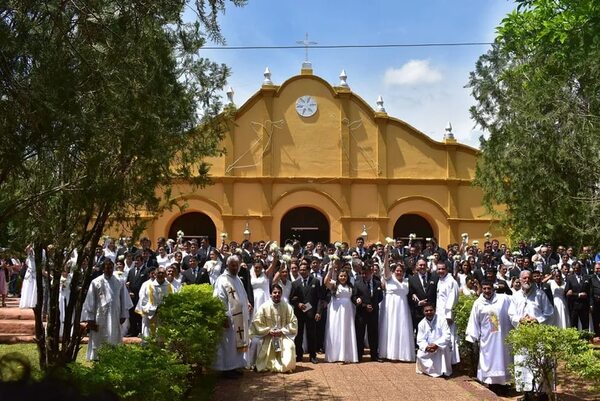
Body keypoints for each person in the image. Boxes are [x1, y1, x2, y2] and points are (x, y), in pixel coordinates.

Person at [508, 270, 554, 395]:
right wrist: (520, 319)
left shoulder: (540, 294)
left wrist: (537, 320)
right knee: (522, 361)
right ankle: (526, 392)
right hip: (522, 334)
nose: (526, 280)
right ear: (520, 279)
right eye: (524, 278)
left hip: (538, 335)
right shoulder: (515, 296)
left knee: (539, 361)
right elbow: (511, 315)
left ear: (532, 280)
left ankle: (540, 391)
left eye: (529, 278)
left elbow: (550, 313)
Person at [81, 259, 133, 361]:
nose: (109, 270)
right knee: (99, 335)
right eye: (107, 268)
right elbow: (90, 301)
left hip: (115, 314)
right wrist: (90, 318)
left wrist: (123, 314)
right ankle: (97, 356)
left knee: (114, 334)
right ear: (103, 269)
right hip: (100, 315)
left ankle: (114, 355)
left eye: (111, 268)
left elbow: (124, 299)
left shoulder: (119, 281)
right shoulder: (96, 282)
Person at [465, 281, 513, 389]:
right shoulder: (478, 303)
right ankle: (492, 385)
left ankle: (505, 386)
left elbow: (514, 308)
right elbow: (474, 320)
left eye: (489, 288)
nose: (487, 291)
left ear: (493, 288)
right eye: (484, 288)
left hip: (503, 338)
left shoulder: (503, 299)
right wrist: (472, 336)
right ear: (481, 289)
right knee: (489, 361)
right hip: (488, 339)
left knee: (504, 360)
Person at [213, 255, 251, 378]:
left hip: (239, 318)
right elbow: (219, 299)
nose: (235, 268)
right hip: (229, 318)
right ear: (227, 266)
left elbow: (242, 294)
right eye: (232, 265)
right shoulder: (222, 280)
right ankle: (226, 369)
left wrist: (247, 303)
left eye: (236, 265)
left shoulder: (237, 279)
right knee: (228, 343)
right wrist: (223, 315)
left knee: (236, 343)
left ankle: (234, 366)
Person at [250, 284, 298, 373]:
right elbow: (256, 322)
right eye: (274, 292)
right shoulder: (264, 306)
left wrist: (282, 330)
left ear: (281, 294)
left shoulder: (287, 306)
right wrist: (268, 330)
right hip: (267, 335)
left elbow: (293, 322)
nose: (277, 294)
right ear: (271, 294)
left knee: (290, 346)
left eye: (279, 293)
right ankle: (262, 364)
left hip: (282, 335)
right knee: (259, 344)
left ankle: (285, 366)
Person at [379, 249, 415, 362]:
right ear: (394, 271)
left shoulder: (406, 281)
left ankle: (403, 354)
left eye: (401, 271)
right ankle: (389, 353)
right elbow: (385, 268)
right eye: (397, 271)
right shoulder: (389, 278)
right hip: (391, 308)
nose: (399, 272)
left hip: (403, 308)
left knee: (402, 328)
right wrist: (386, 255)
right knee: (391, 328)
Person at [289, 262, 323, 364]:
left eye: (304, 270)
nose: (302, 271)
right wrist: (298, 304)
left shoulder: (315, 282)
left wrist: (318, 312)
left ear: (308, 270)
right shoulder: (295, 283)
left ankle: (313, 356)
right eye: (301, 270)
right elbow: (292, 298)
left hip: (311, 313)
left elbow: (319, 299)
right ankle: (299, 355)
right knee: (298, 335)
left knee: (312, 335)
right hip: (299, 313)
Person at [323, 266, 358, 363]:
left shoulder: (350, 286)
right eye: (341, 276)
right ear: (338, 276)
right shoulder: (334, 285)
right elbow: (326, 281)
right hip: (337, 312)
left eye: (345, 276)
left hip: (348, 311)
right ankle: (335, 355)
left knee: (347, 331)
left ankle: (347, 355)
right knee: (337, 331)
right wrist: (330, 270)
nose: (343, 278)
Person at [352, 263, 383, 362]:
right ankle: (359, 355)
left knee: (373, 334)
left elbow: (380, 297)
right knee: (360, 333)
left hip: (373, 312)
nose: (364, 275)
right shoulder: (357, 283)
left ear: (371, 272)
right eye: (362, 273)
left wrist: (373, 306)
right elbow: (354, 297)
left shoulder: (377, 283)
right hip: (361, 312)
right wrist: (361, 303)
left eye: (366, 273)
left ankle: (374, 355)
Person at [135, 266, 175, 338]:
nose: (160, 275)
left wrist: (165, 310)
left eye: (162, 273)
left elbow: (173, 300)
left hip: (164, 316)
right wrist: (154, 309)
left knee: (162, 337)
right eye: (159, 273)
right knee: (148, 337)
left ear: (165, 274)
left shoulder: (170, 286)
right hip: (150, 315)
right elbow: (143, 300)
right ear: (155, 274)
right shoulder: (148, 286)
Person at [416, 303, 452, 377]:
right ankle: (428, 371)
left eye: (431, 310)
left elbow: (447, 335)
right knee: (420, 355)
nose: (429, 312)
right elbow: (420, 339)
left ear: (434, 310)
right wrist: (426, 347)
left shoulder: (442, 320)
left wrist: (436, 344)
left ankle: (443, 372)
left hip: (440, 346)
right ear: (423, 312)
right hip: (429, 347)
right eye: (426, 311)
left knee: (443, 351)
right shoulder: (421, 324)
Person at [435, 261, 460, 364]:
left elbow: (452, 299)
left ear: (447, 269)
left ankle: (451, 362)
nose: (440, 271)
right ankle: (442, 361)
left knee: (450, 338)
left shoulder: (451, 282)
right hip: (439, 314)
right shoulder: (440, 280)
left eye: (442, 269)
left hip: (447, 316)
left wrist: (449, 316)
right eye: (439, 269)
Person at [564, 261, 590, 331]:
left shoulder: (586, 277)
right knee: (574, 325)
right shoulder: (570, 278)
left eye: (578, 268)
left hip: (584, 305)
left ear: (581, 268)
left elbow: (590, 291)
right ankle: (575, 340)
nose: (576, 270)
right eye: (575, 268)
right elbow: (567, 292)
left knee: (585, 324)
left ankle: (586, 339)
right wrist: (578, 295)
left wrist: (591, 304)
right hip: (574, 305)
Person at [590, 261, 600, 337]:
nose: (598, 270)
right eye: (596, 268)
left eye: (599, 268)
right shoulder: (591, 278)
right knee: (595, 319)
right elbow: (590, 292)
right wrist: (591, 304)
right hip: (595, 303)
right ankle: (597, 335)